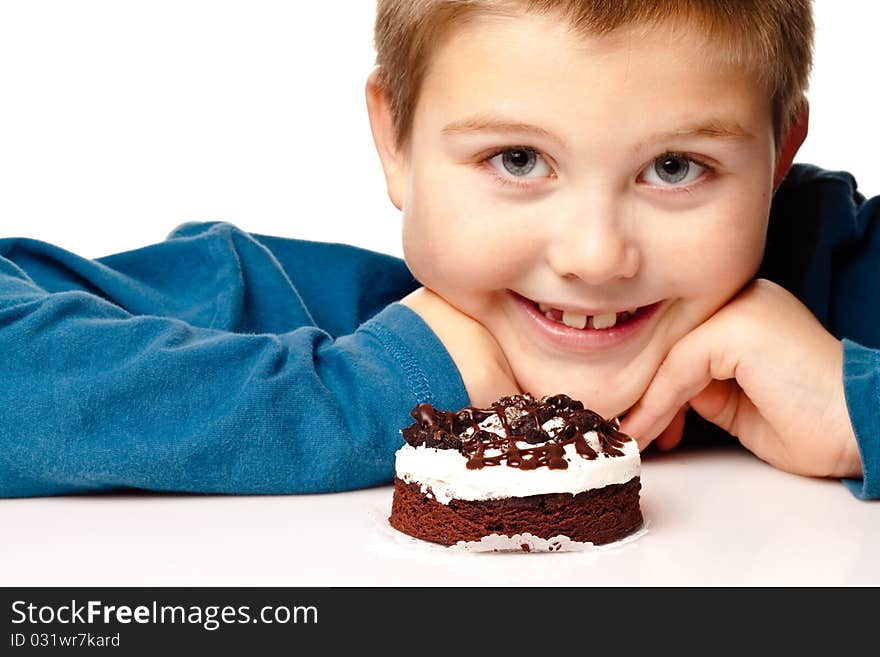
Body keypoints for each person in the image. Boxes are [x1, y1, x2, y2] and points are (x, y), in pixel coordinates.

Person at [0, 0, 876, 499]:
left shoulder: (841, 279)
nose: (595, 255)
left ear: (778, 156)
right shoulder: (296, 312)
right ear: (396, 141)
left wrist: (852, 408)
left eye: (676, 167)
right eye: (519, 159)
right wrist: (377, 390)